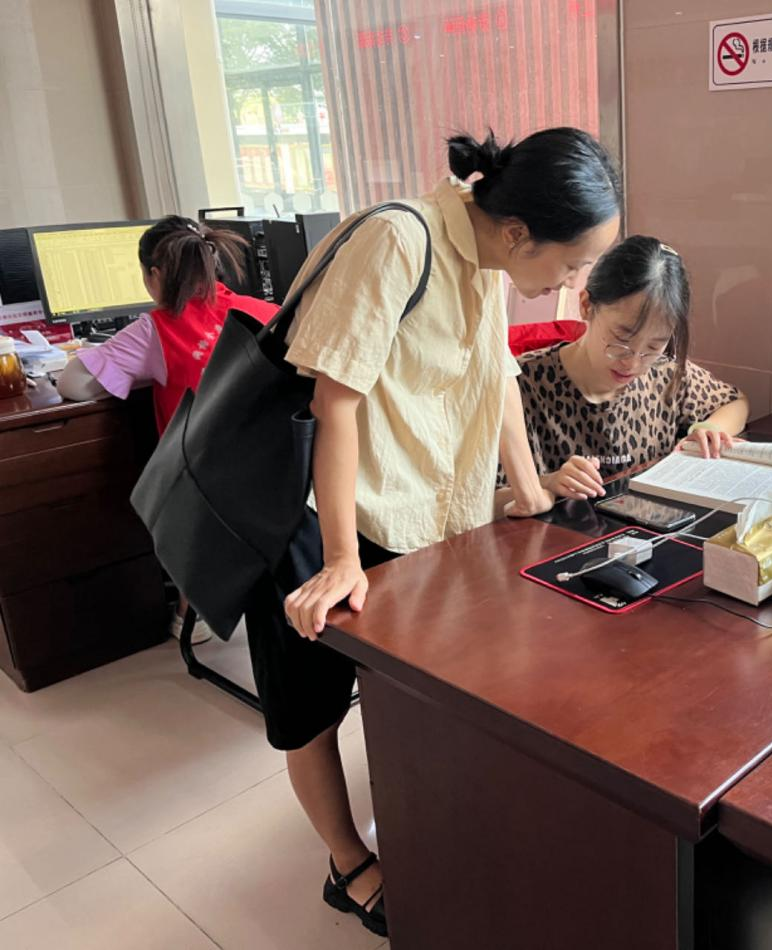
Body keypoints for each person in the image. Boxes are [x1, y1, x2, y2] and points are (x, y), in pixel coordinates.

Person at [259, 127, 621, 938]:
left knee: (412, 697)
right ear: (519, 231)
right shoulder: (397, 241)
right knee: (311, 708)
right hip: (325, 518)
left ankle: (425, 830)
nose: (572, 284)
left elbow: (496, 377)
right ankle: (347, 862)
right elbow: (334, 403)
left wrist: (528, 490)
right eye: (572, 265)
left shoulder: (489, 258)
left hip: (418, 519)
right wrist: (341, 559)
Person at [58, 216, 278, 642]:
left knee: (161, 486)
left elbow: (74, 385)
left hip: (204, 486)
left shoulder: (156, 329)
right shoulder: (265, 310)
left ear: (154, 275)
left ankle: (190, 611)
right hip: (274, 474)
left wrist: (130, 372)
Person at [512, 235, 749, 501]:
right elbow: (483, 497)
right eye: (622, 339)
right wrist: (545, 484)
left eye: (654, 346)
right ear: (586, 306)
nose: (633, 363)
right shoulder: (519, 384)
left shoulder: (665, 375)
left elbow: (735, 402)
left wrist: (710, 428)